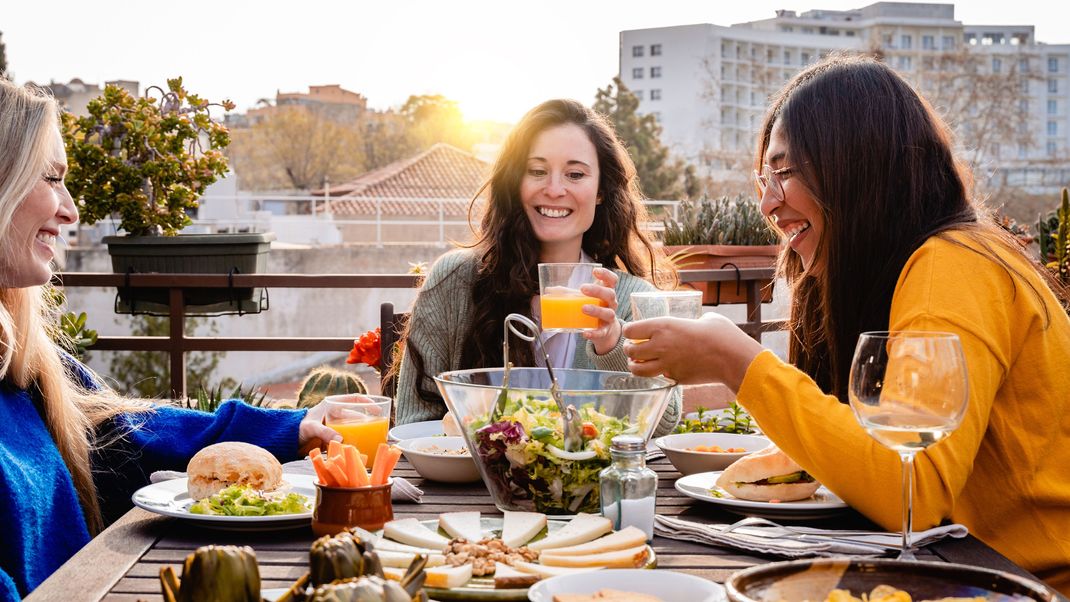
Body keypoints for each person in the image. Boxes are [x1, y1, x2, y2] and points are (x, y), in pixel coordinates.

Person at [623, 54, 1070, 594]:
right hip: (961, 568)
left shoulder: (953, 266)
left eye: (785, 173)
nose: (767, 201)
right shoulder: (894, 270)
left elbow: (914, 489)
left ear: (862, 165)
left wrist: (736, 360)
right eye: (765, 177)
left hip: (1027, 583)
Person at [0, 80, 343, 601]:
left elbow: (116, 430)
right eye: (51, 178)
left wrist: (288, 427)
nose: (71, 211)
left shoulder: (27, 360)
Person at [394, 99, 680, 435]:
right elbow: (412, 424)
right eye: (537, 171)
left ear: (601, 190)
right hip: (474, 487)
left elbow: (665, 424)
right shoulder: (454, 279)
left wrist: (612, 343)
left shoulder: (635, 298)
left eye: (575, 174)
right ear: (516, 182)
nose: (555, 190)